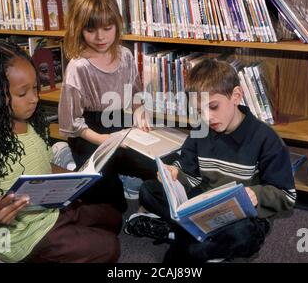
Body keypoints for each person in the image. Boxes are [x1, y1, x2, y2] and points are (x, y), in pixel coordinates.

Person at [0, 41, 122, 263]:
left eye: (35, 88)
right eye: (23, 93)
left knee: (113, 217)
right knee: (108, 247)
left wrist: (77, 178)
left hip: (49, 209)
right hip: (22, 236)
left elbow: (44, 166)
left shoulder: (32, 124)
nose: (34, 98)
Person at [124, 58, 296, 263]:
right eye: (199, 111)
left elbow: (287, 197)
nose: (207, 117)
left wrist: (256, 194)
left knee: (243, 235)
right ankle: (200, 241)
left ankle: (184, 240)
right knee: (148, 190)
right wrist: (175, 173)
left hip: (241, 217)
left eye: (213, 107)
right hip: (204, 207)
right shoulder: (201, 130)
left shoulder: (266, 139)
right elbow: (188, 170)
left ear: (236, 96)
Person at [59, 0, 156, 200]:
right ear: (79, 29)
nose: (100, 37)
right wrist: (104, 140)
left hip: (119, 123)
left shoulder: (126, 56)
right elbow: (72, 123)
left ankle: (124, 176)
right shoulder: (78, 66)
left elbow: (137, 94)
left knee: (158, 168)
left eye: (107, 28)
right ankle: (66, 157)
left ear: (117, 24)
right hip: (88, 132)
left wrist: (140, 114)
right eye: (91, 30)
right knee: (109, 199)